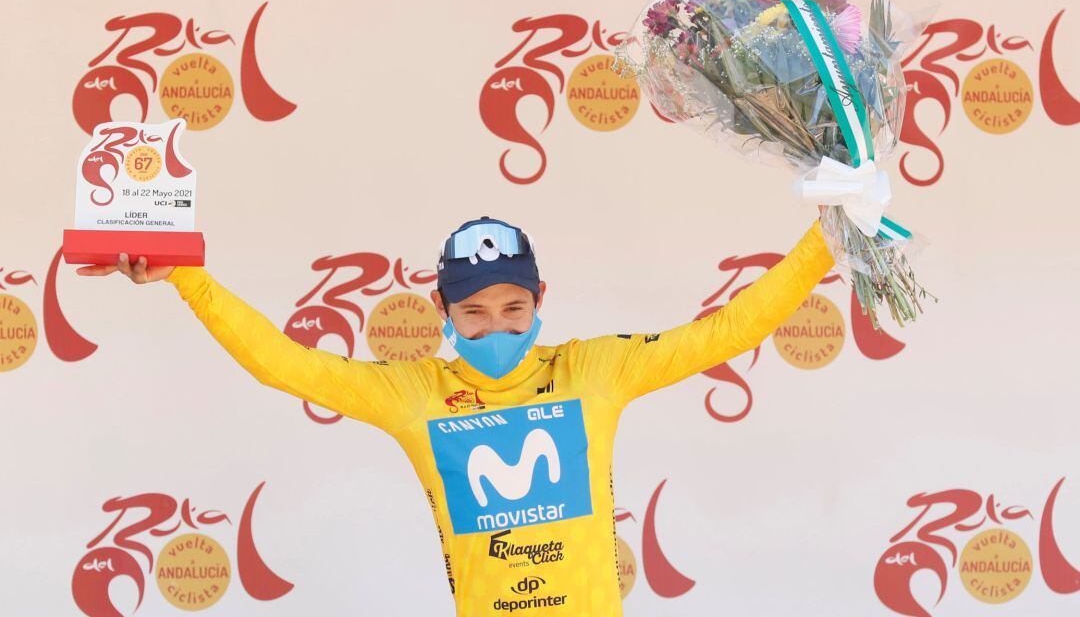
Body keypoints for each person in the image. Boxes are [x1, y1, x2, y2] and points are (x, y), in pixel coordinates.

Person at [76, 215, 834, 616]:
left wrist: (828, 236)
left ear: (541, 301)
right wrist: (189, 279)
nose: (496, 327)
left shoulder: (594, 371)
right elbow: (282, 363)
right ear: (443, 310)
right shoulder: (415, 393)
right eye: (473, 312)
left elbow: (729, 331)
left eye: (514, 308)